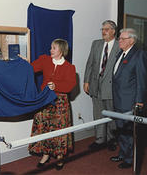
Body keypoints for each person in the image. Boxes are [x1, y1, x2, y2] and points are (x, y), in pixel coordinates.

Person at [28, 39, 76, 170]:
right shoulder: (45, 60)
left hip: (60, 102)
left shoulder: (69, 67)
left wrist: (57, 86)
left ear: (61, 50)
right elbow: (30, 68)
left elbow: (70, 85)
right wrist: (22, 62)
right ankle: (45, 154)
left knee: (59, 130)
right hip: (44, 100)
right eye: (51, 47)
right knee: (44, 127)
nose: (50, 50)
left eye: (53, 48)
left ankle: (60, 156)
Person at [110, 28, 147, 169]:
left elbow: (142, 80)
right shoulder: (121, 53)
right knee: (120, 128)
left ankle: (128, 159)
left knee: (128, 130)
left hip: (129, 101)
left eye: (122, 39)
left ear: (131, 40)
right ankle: (123, 152)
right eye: (119, 38)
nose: (119, 40)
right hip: (118, 98)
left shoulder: (139, 55)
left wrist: (139, 101)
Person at [83, 20, 120, 151]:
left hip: (110, 87)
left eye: (106, 29)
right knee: (98, 114)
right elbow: (90, 64)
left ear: (113, 31)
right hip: (95, 85)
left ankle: (111, 139)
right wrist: (86, 81)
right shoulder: (96, 44)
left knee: (111, 115)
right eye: (102, 29)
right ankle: (99, 140)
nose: (103, 31)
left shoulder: (119, 46)